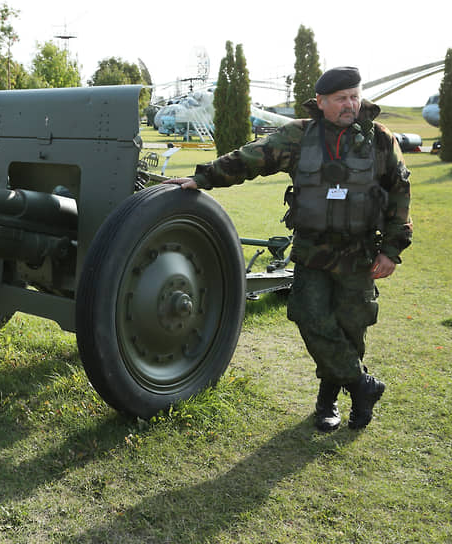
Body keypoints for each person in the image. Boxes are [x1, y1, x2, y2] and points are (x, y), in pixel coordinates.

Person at [164, 66, 412, 431]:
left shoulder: (379, 139)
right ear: (322, 102)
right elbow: (253, 157)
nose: (351, 104)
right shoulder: (299, 136)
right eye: (342, 98)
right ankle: (362, 385)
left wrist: (391, 250)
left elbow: (400, 192)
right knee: (310, 316)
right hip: (312, 251)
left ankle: (331, 402)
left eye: (355, 96)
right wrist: (203, 177)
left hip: (359, 253)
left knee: (351, 327)